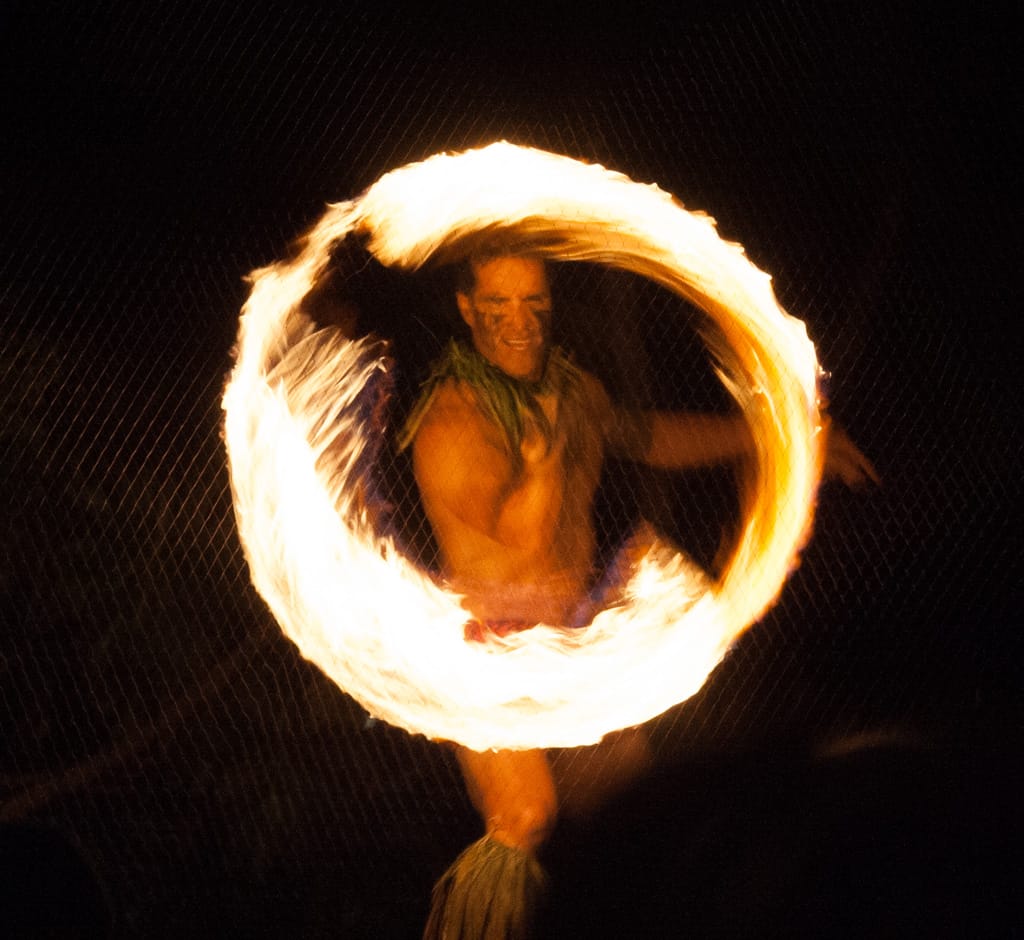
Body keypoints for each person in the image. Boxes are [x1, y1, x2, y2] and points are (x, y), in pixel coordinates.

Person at [402, 245, 877, 938]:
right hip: (490, 656)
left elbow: (650, 436)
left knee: (633, 821)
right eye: (499, 305)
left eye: (535, 302)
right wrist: (541, 459)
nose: (520, 321)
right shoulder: (450, 419)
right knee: (523, 818)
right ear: (468, 309)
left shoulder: (575, 392)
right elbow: (511, 535)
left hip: (578, 640)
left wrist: (773, 437)